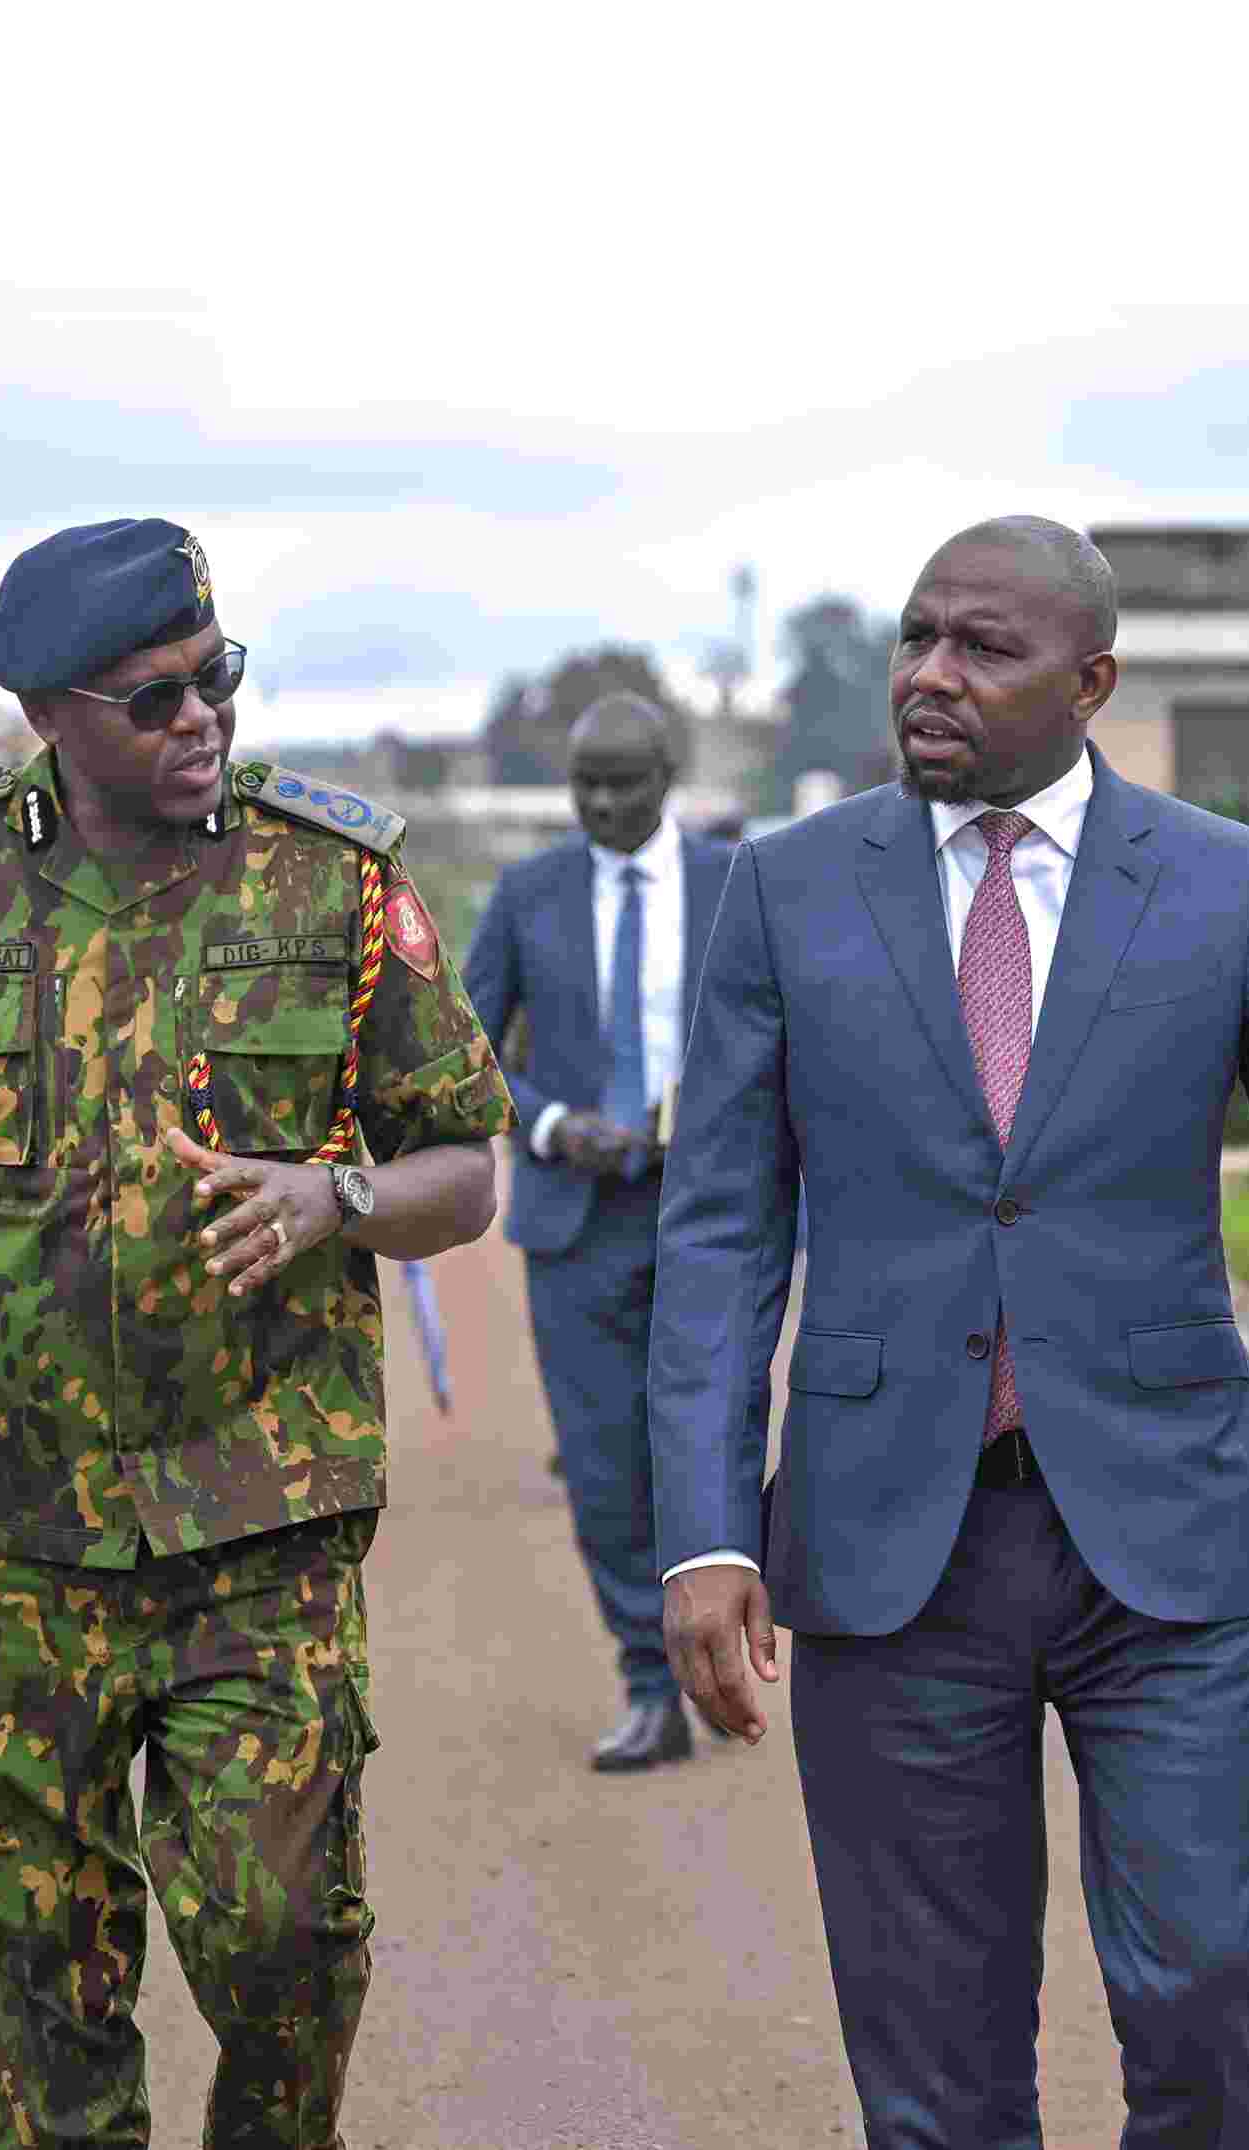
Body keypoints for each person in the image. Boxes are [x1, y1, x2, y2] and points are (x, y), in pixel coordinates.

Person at [649, 516, 1249, 2147]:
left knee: (1201, 1976)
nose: (928, 674)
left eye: (981, 649)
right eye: (918, 637)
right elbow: (717, 1225)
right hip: (885, 1542)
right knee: (934, 2053)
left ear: (1090, 682)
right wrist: (703, 1529)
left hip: (1159, 1535)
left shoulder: (1222, 882)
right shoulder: (783, 890)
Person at [0, 518, 510, 2150]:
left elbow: (463, 1171)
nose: (202, 722)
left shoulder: (333, 880)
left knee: (285, 1944)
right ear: (49, 714)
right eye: (153, 698)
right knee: (39, 1984)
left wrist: (337, 1203)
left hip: (259, 1529)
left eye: (216, 679)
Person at [460, 692, 735, 1773]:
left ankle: (718, 1649)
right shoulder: (529, 894)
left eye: (625, 780)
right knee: (602, 1464)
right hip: (575, 1222)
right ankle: (646, 1685)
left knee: (714, 1445)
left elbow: (789, 1028)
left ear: (668, 773)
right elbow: (464, 1037)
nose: (605, 802)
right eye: (587, 783)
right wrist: (551, 1121)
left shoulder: (734, 885)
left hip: (710, 1213)